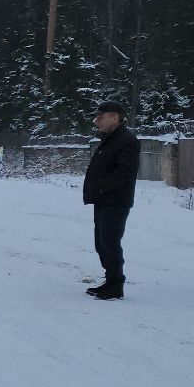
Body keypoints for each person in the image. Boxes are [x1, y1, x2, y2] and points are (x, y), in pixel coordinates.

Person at [82, 101, 140, 300]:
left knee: (110, 242)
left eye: (101, 117)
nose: (97, 121)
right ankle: (110, 281)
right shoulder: (110, 139)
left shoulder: (127, 140)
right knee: (101, 243)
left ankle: (116, 285)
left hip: (116, 200)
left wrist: (102, 187)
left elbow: (125, 172)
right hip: (104, 199)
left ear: (115, 117)